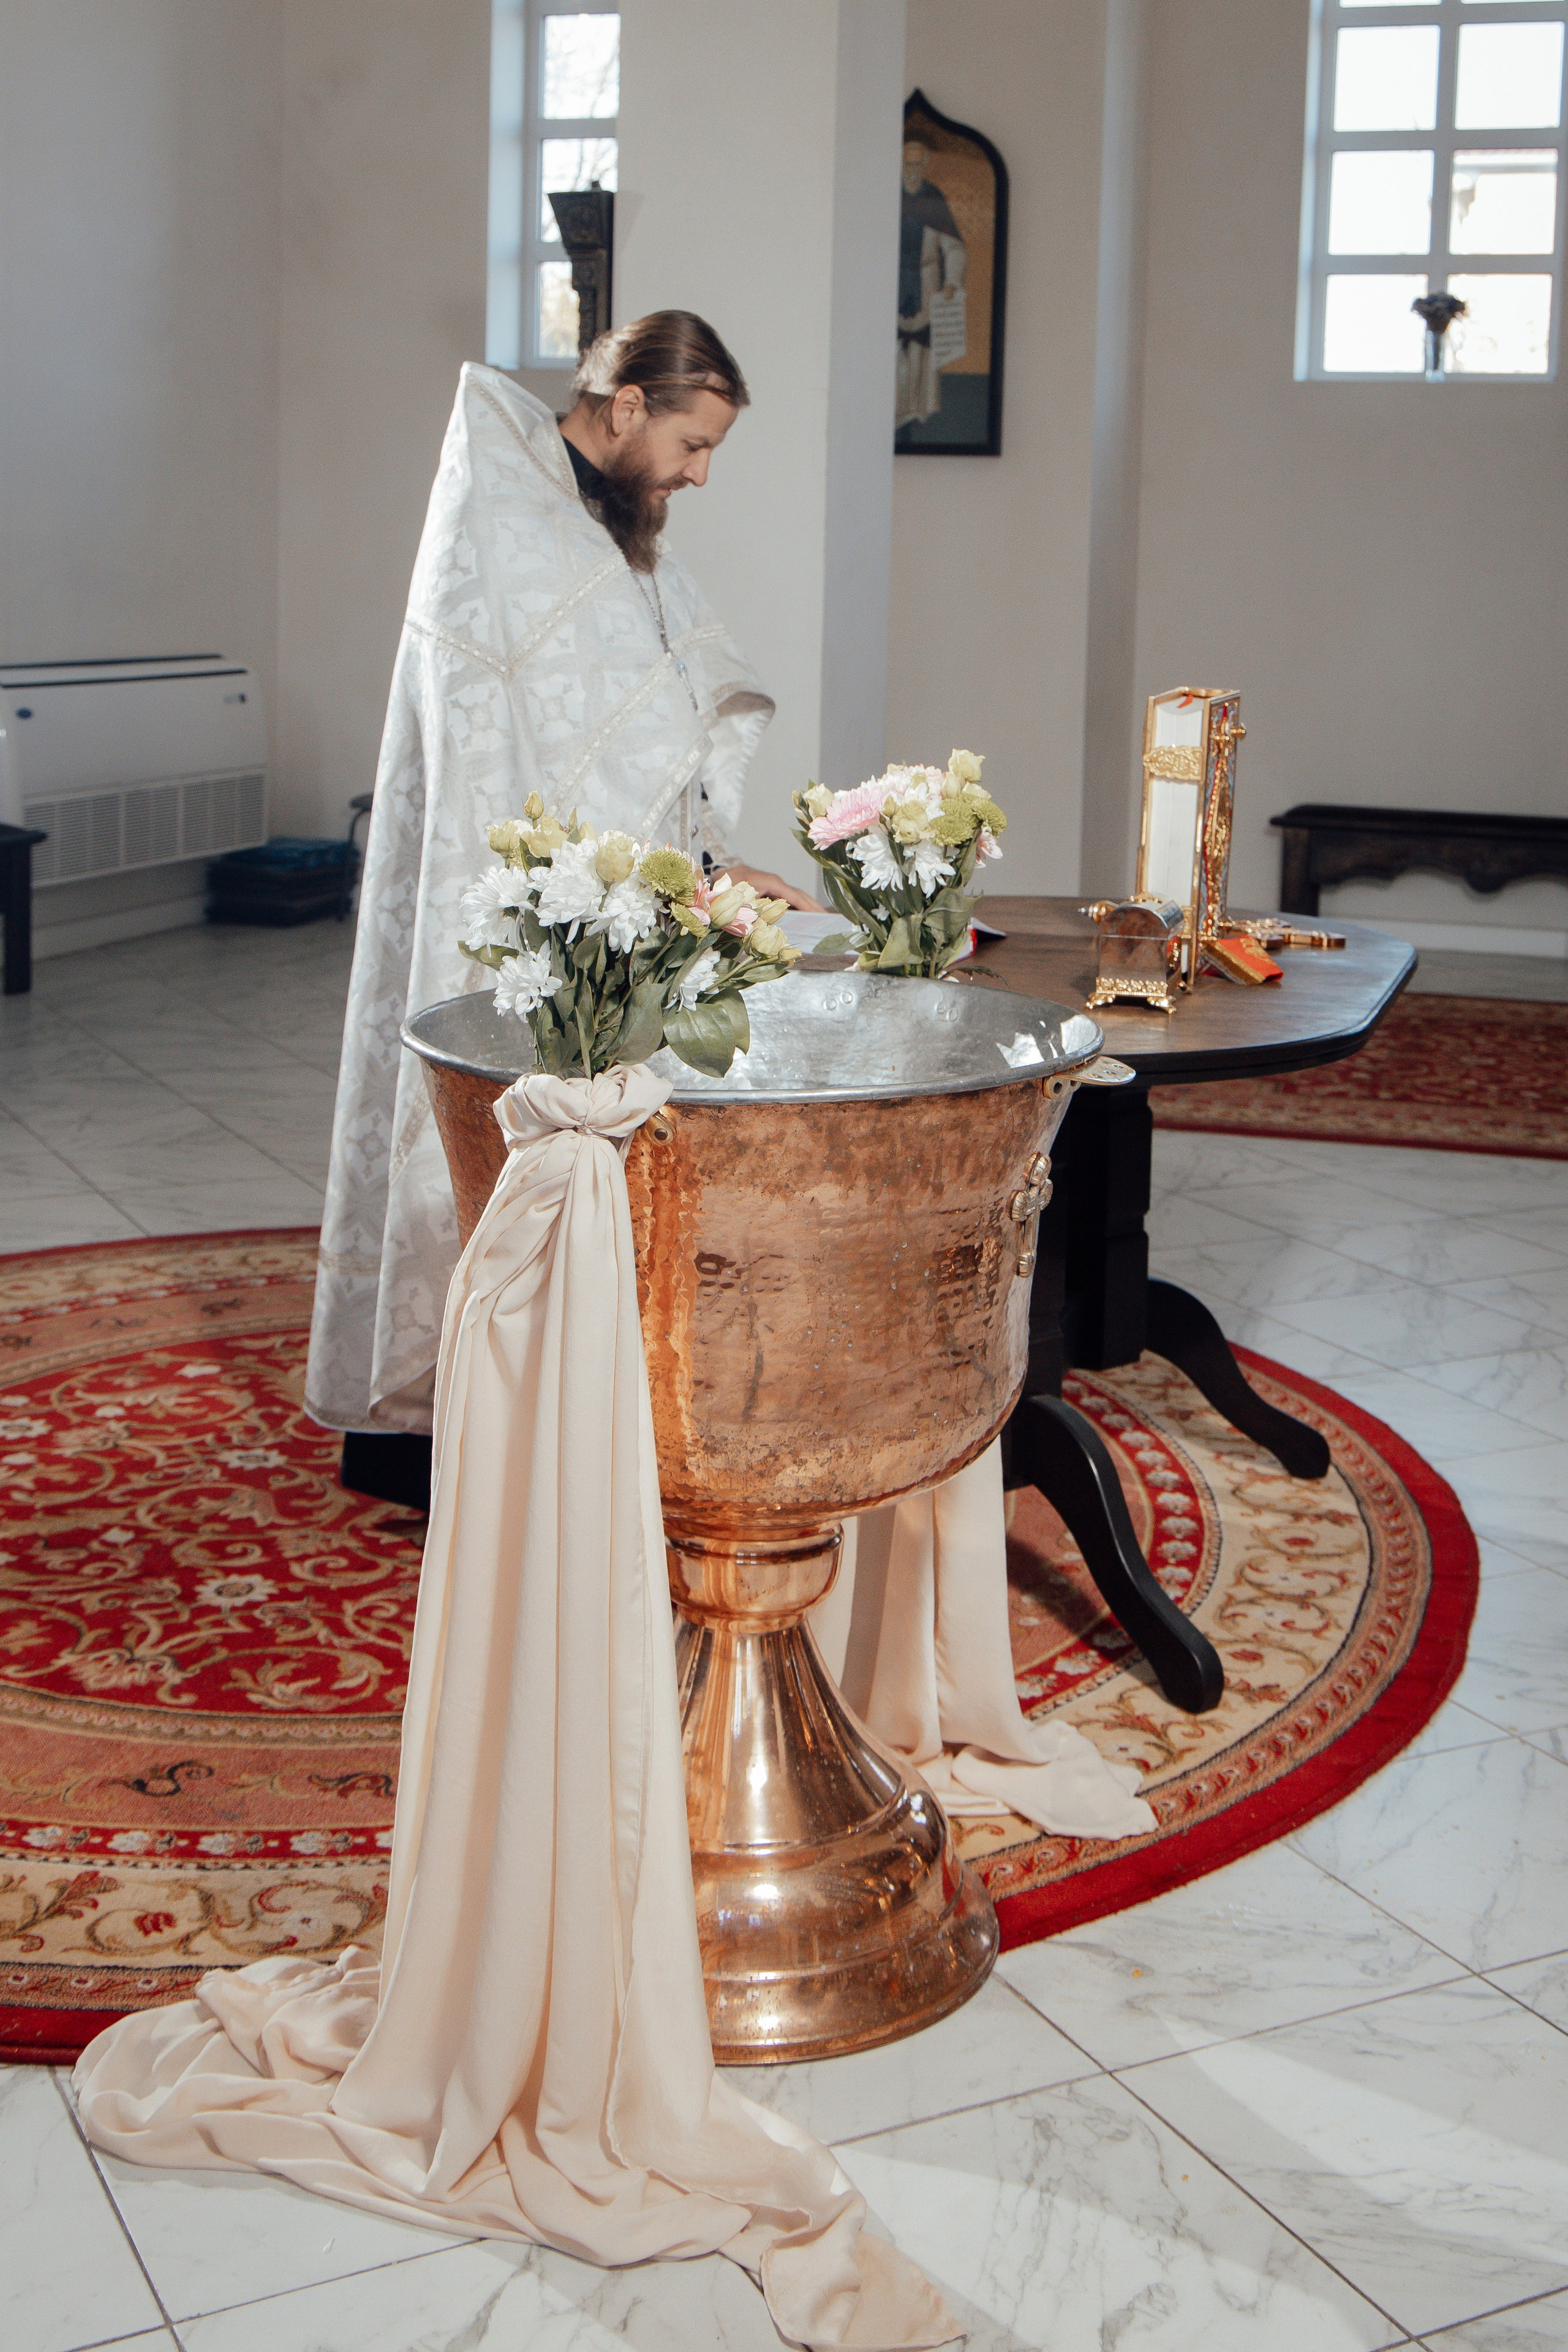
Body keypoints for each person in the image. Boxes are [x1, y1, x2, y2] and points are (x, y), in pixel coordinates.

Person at [306, 311, 812, 1498]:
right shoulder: (510, 520)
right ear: (628, 406)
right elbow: (534, 740)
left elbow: (646, 729)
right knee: (482, 1151)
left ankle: (570, 1419)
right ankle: (439, 1433)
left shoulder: (609, 525)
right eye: (693, 444)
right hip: (500, 915)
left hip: (596, 911)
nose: (699, 475)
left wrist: (709, 865)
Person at [897, 139, 967, 432]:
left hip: (926, 282)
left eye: (917, 164)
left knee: (921, 349)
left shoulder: (933, 199)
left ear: (924, 165)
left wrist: (952, 281)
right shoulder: (887, 194)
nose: (912, 169)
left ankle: (916, 410)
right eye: (908, 163)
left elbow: (953, 247)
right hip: (891, 284)